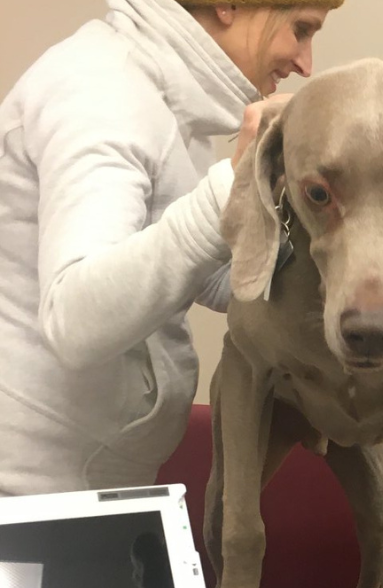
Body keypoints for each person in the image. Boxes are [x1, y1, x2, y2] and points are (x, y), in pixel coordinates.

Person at [0, 0, 340, 497]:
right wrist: (233, 188)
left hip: (87, 482)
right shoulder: (101, 91)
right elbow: (75, 319)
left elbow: (212, 276)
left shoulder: (162, 105)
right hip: (35, 502)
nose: (305, 64)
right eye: (302, 28)